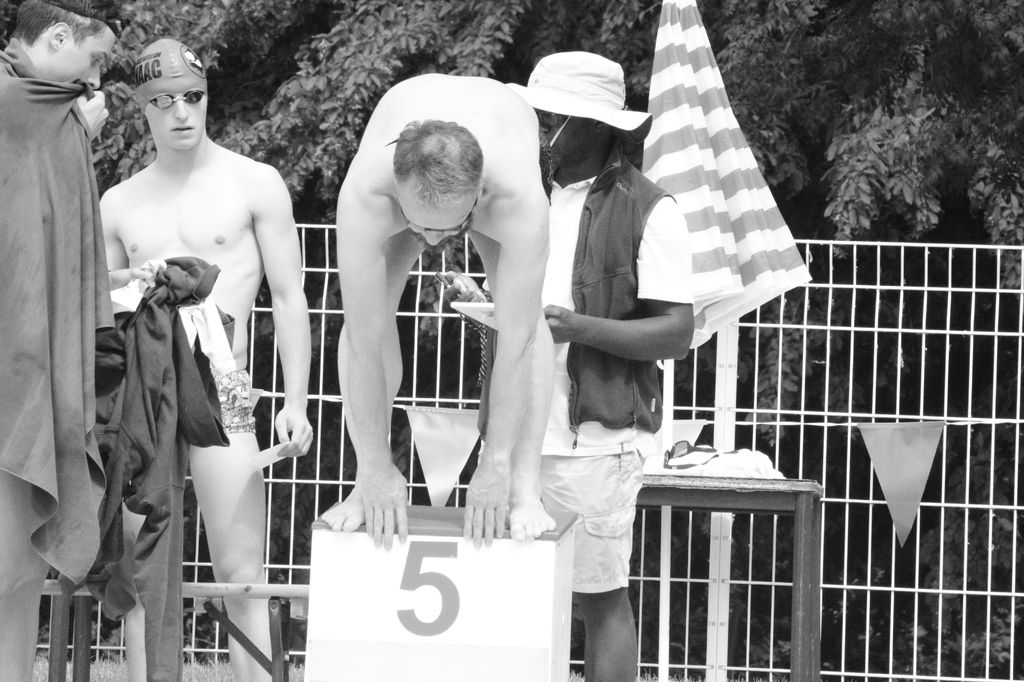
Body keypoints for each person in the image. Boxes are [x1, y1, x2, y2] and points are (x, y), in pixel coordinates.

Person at [457, 52, 694, 682]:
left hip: (597, 440)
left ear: (594, 124)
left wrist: (578, 328)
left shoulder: (652, 208)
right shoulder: (525, 194)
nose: (540, 129)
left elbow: (678, 332)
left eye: (552, 117)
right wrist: (482, 301)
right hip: (512, 434)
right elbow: (520, 304)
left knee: (599, 598)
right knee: (507, 592)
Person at [100, 38, 313, 682]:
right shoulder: (118, 203)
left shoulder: (255, 182)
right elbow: (99, 316)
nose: (181, 112)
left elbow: (289, 296)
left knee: (242, 573)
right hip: (143, 392)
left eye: (192, 96)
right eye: (164, 101)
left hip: (224, 388)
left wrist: (296, 402)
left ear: (206, 97)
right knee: (143, 570)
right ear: (143, 109)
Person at [320, 74, 557, 549]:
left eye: (450, 227)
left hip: (500, 148)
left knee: (525, 322)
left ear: (479, 194)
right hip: (406, 176)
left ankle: (524, 485)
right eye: (418, 226)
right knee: (367, 323)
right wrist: (376, 465)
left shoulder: (516, 196)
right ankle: (364, 482)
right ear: (397, 190)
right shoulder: (367, 192)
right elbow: (363, 341)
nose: (431, 241)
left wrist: (495, 463)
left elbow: (518, 342)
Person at [0, 0, 126, 676]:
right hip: (12, 369)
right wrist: (77, 129)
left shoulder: (43, 112)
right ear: (56, 37)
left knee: (19, 566)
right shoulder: (21, 105)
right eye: (94, 58)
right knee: (8, 563)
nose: (95, 78)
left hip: (26, 365)